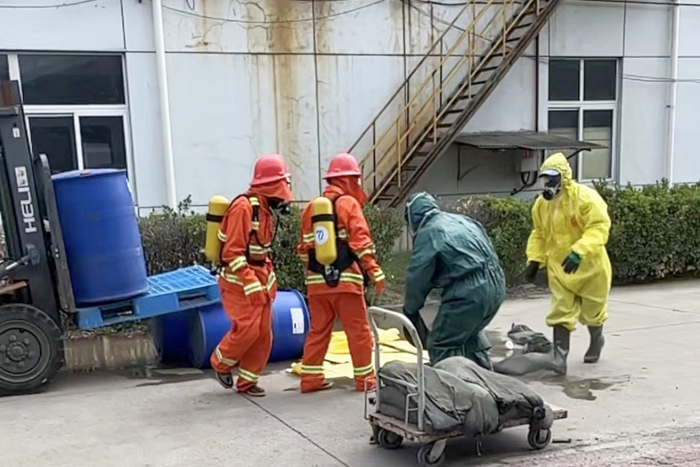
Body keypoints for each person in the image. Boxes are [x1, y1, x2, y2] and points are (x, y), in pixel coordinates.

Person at [297, 153, 385, 393]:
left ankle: (310, 379)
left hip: (316, 284)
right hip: (346, 281)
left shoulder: (310, 208)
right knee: (358, 332)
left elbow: (303, 249)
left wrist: (315, 275)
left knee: (318, 331)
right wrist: (374, 271)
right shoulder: (349, 204)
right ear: (349, 179)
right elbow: (361, 242)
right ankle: (365, 381)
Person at [210, 154, 293, 397]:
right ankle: (220, 362)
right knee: (248, 329)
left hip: (258, 280)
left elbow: (261, 250)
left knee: (264, 333)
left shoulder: (264, 210)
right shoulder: (243, 208)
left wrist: (268, 279)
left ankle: (247, 381)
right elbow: (232, 252)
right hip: (236, 283)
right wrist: (249, 281)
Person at [524, 152, 611, 375]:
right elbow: (539, 233)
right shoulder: (541, 205)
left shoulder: (586, 198)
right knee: (560, 309)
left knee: (593, 311)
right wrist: (535, 259)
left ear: (564, 176)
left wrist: (579, 251)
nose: (549, 182)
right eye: (546, 178)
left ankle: (597, 340)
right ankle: (559, 358)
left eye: (554, 178)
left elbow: (599, 227)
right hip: (560, 267)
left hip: (590, 267)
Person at [402, 192, 506, 369]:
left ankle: (450, 382)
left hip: (470, 292)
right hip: (496, 285)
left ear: (413, 218)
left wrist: (410, 308)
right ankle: (484, 373)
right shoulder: (463, 220)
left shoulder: (429, 232)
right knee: (469, 335)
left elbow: (418, 274)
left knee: (442, 343)